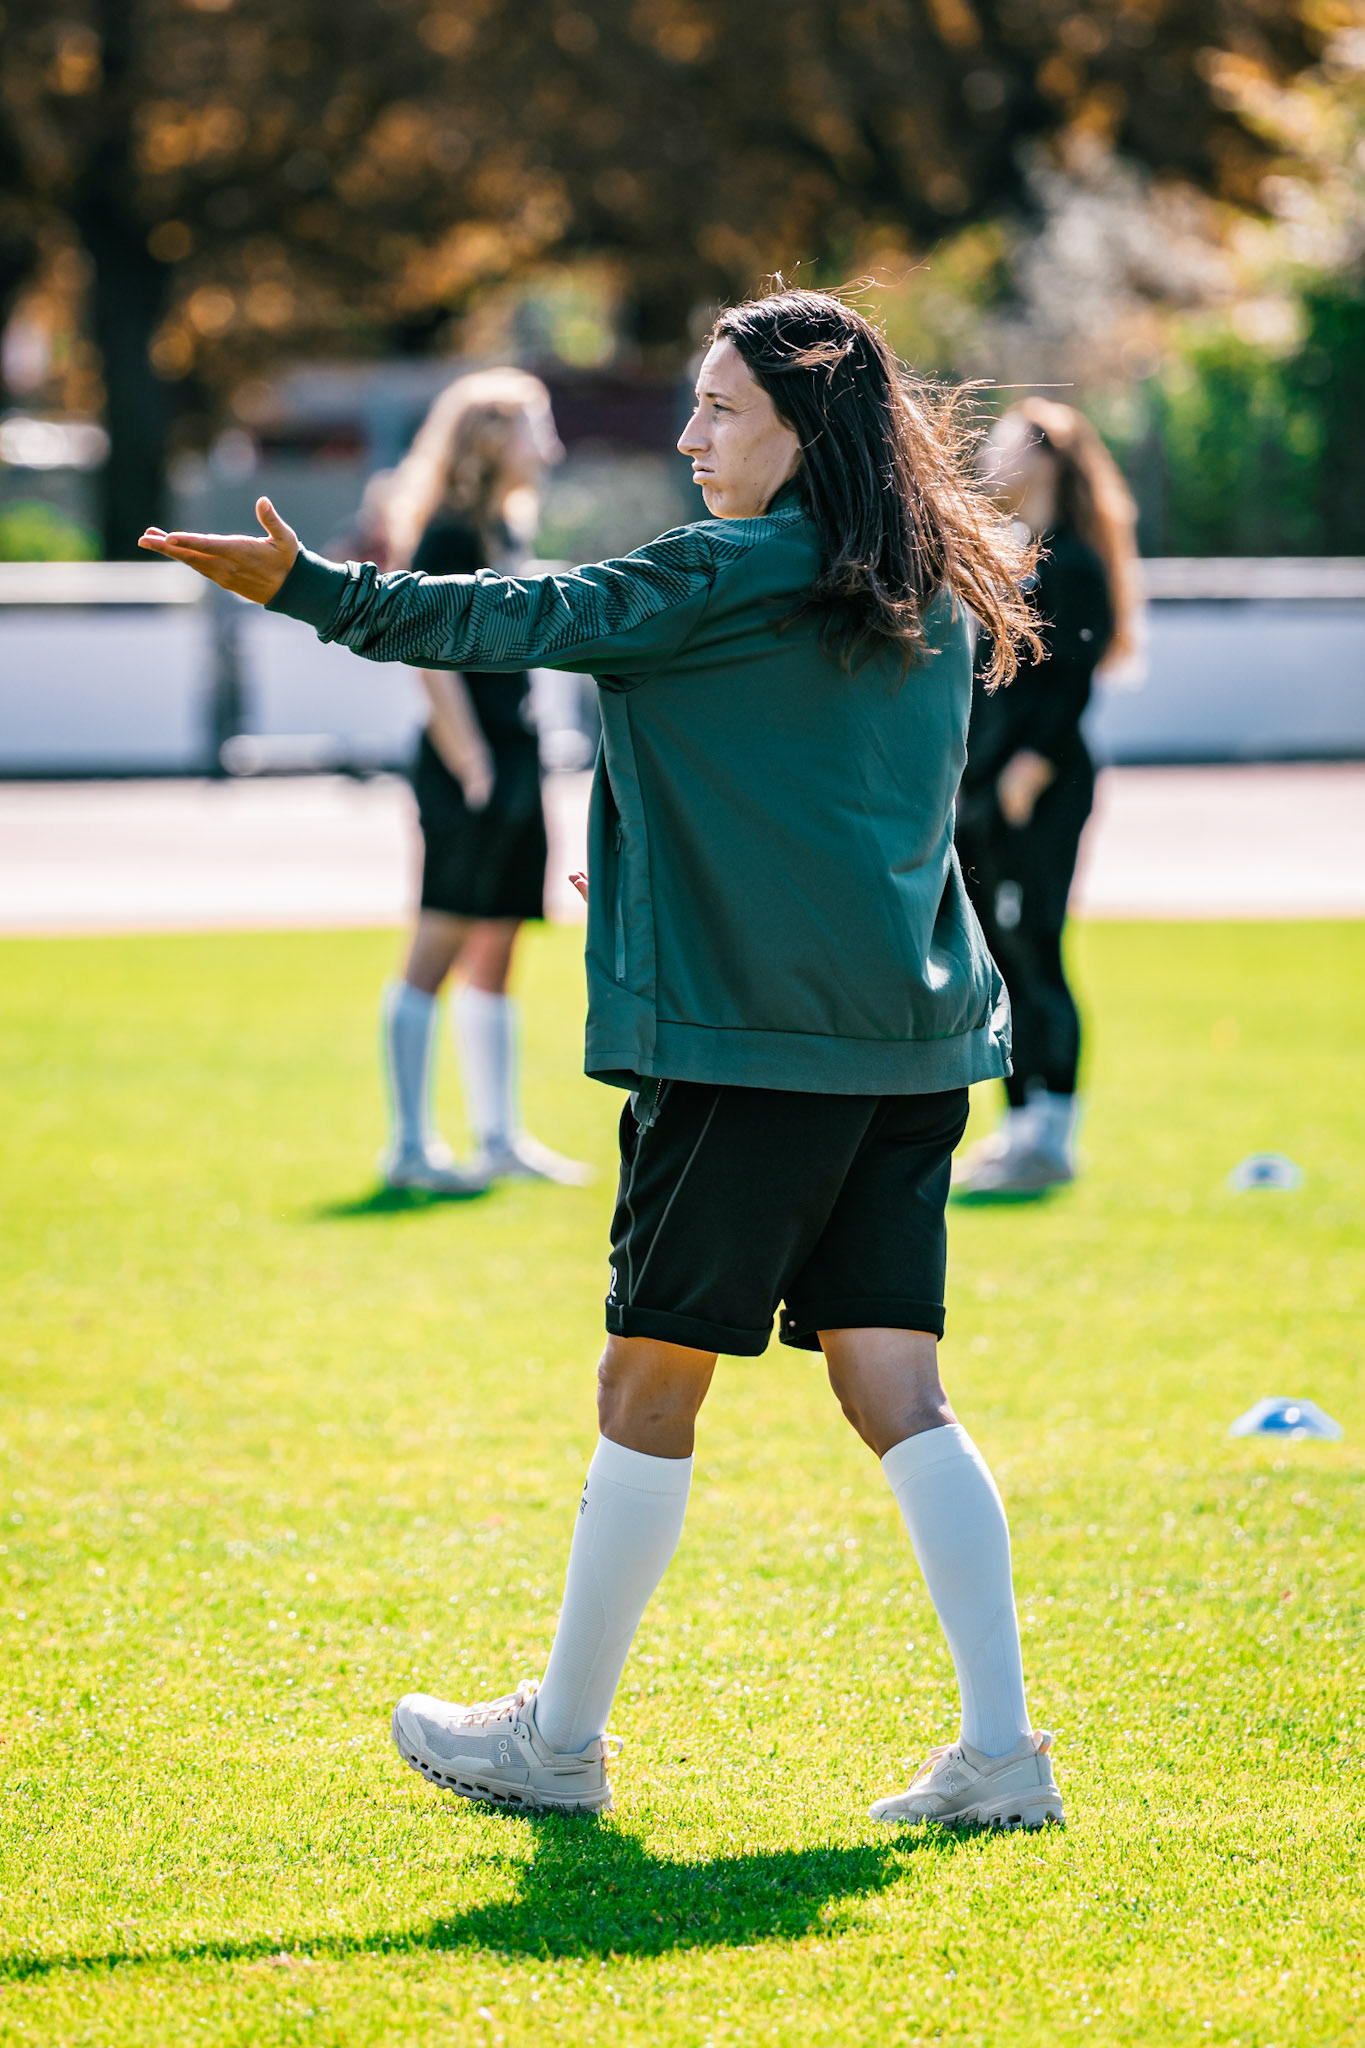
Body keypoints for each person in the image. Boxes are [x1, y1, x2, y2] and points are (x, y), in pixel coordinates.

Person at [140, 288, 1066, 1833]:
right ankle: (1002, 1755)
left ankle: (557, 1746)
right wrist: (657, 879)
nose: (691, 436)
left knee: (645, 1383)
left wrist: (306, 586)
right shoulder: (933, 587)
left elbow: (511, 625)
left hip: (753, 1057)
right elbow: (848, 821)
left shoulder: (717, 570)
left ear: (805, 428)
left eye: (721, 409)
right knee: (897, 1385)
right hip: (909, 1054)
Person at [369, 368, 589, 1193]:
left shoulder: (503, 528)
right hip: (473, 765)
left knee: (497, 943)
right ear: (491, 437)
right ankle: (408, 1147)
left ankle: (497, 1140)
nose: (552, 446)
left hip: (516, 756)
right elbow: (426, 658)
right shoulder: (450, 534)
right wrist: (474, 768)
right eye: (537, 425)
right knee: (438, 940)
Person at [953, 399, 1140, 1197]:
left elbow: (1070, 680)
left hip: (1040, 787)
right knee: (996, 953)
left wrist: (1028, 767)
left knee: (1036, 942)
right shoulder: (1015, 555)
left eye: (1005, 445)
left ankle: (1052, 1133)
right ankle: (1017, 1123)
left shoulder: (1072, 563)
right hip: (985, 786)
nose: (991, 457)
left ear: (1049, 459)